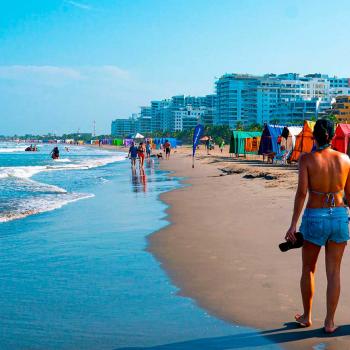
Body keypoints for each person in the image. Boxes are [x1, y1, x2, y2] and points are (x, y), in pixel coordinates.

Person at [284, 119, 350, 333]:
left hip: (315, 217)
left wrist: (293, 224)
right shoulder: (345, 159)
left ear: (314, 137)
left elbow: (302, 193)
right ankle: (330, 322)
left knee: (308, 269)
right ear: (332, 136)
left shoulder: (306, 159)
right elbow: (349, 195)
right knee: (334, 273)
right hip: (340, 217)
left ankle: (306, 316)